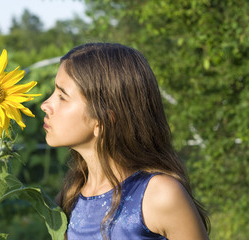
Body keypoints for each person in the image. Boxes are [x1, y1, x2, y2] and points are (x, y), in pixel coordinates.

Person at [40, 43, 210, 240]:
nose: (46, 105)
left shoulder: (159, 195)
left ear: (103, 120)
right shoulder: (72, 195)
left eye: (62, 96)